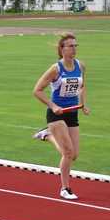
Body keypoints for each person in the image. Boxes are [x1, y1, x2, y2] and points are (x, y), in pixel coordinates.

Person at [33, 32, 90, 200]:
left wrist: (83, 104)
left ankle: (48, 135)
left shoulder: (81, 66)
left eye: (75, 46)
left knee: (74, 154)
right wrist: (53, 105)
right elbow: (37, 90)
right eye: (70, 46)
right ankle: (65, 188)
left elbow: (82, 86)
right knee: (68, 153)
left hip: (72, 113)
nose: (74, 49)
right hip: (56, 114)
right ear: (62, 49)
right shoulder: (56, 69)